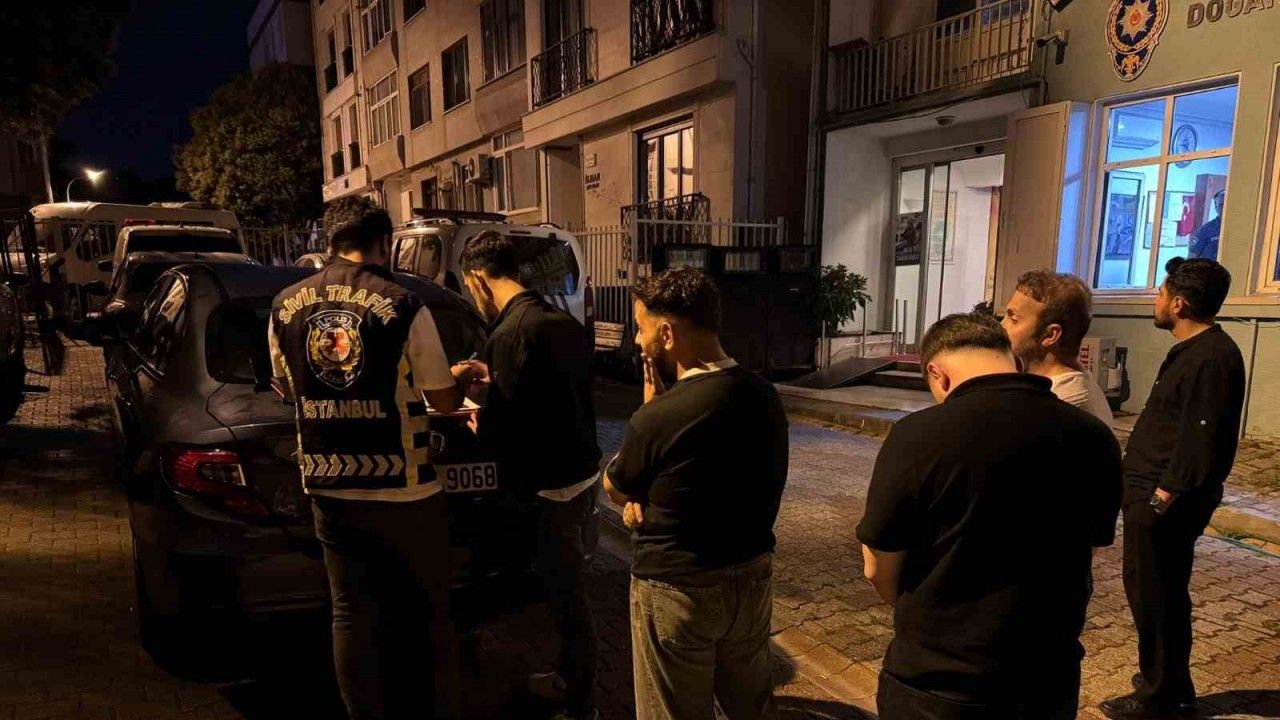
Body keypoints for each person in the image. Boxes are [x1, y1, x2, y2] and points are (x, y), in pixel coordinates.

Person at [268, 198, 482, 720]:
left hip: (329, 484)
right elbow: (443, 399)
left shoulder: (284, 305)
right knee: (426, 612)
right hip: (405, 487)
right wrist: (461, 375)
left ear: (330, 242)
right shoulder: (404, 303)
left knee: (350, 613)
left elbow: (285, 387)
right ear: (384, 244)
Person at [858, 312, 1122, 720]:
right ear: (1014, 361)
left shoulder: (917, 435)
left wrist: (921, 610)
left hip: (938, 683)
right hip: (1046, 681)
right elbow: (1091, 549)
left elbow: (878, 565)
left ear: (938, 374)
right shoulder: (1094, 436)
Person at [603, 267, 789, 720]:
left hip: (677, 588)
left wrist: (651, 415)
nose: (638, 341)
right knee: (751, 708)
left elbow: (614, 486)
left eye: (642, 329)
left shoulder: (659, 417)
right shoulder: (764, 395)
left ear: (667, 334)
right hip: (751, 578)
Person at [457, 230, 602, 720]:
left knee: (568, 602)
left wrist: (475, 418)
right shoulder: (559, 321)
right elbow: (554, 394)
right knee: (570, 593)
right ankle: (569, 679)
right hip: (582, 475)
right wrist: (492, 375)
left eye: (469, 288)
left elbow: (503, 432)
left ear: (479, 279)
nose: (473, 297)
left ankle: (580, 703)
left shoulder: (509, 334)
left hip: (549, 488)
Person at [1100, 258, 1245, 720]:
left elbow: (1202, 436)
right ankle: (1168, 683)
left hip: (1163, 500)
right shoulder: (1194, 351)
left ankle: (1159, 697)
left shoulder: (1211, 357)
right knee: (1156, 593)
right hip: (1153, 493)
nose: (1156, 300)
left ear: (1178, 303)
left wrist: (1163, 496)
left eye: (1161, 293)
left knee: (1156, 597)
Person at [1001, 269, 1114, 425]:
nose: (1001, 325)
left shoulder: (1059, 404)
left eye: (1013, 319)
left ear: (1050, 335)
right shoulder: (1069, 384)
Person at [1188, 190, 1224, 261]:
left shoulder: (1239, 228)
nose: (1224, 208)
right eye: (1221, 205)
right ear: (1216, 207)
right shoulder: (1206, 230)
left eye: (1227, 205)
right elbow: (1192, 257)